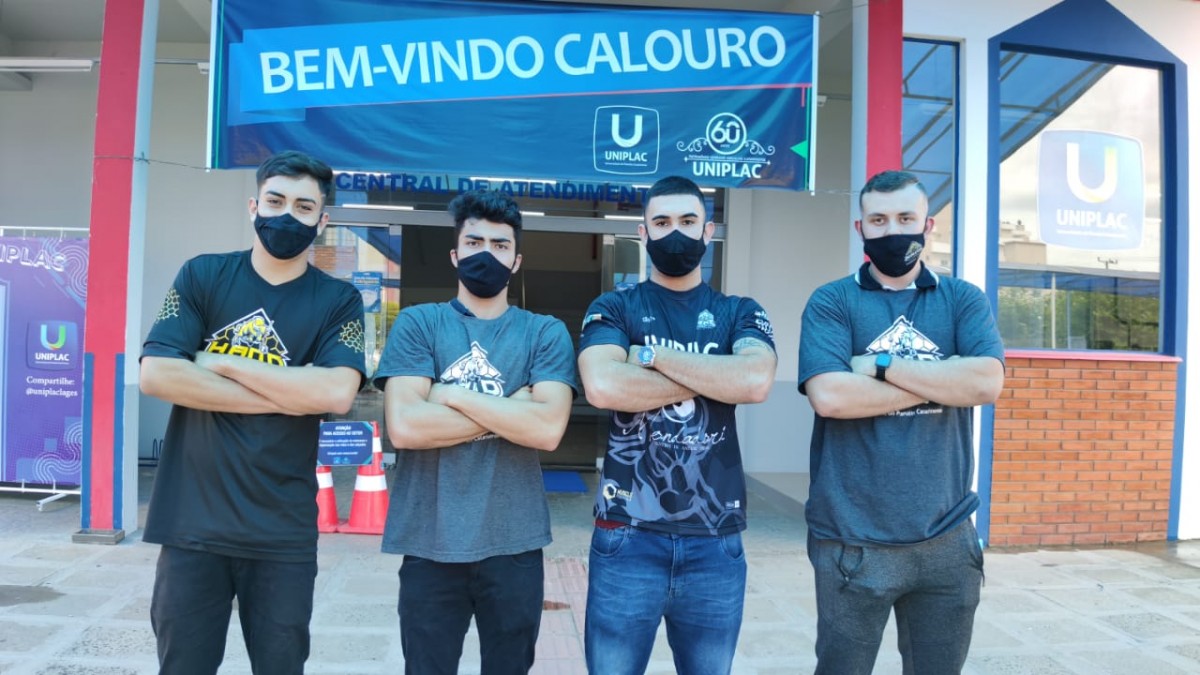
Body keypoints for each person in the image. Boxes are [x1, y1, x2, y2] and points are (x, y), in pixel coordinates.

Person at [139, 150, 366, 674]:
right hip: (192, 524)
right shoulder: (203, 275)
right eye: (275, 201)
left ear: (322, 221)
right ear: (253, 207)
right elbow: (157, 375)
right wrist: (291, 392)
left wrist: (219, 362)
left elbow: (336, 394)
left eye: (304, 207)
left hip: (281, 532)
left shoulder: (338, 300)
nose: (287, 215)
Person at [797, 170, 1006, 674]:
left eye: (906, 218)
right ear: (860, 228)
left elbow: (984, 383)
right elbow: (830, 396)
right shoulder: (832, 301)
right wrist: (943, 376)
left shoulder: (962, 299)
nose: (893, 230)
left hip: (947, 538)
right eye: (879, 220)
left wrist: (881, 364)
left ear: (928, 225)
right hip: (852, 540)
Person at [577, 175, 777, 674]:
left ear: (708, 232)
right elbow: (603, 386)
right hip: (627, 535)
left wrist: (648, 357)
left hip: (715, 540)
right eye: (662, 222)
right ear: (643, 233)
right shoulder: (613, 307)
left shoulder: (739, 311)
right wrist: (715, 375)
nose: (675, 233)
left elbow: (754, 380)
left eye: (688, 221)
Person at [374, 190, 577, 674]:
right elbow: (406, 426)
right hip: (429, 541)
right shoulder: (419, 323)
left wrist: (451, 395)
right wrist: (514, 408)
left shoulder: (544, 332)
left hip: (514, 544)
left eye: (500, 245)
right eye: (474, 242)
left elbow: (548, 429)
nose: (486, 254)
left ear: (516, 260)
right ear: (455, 254)